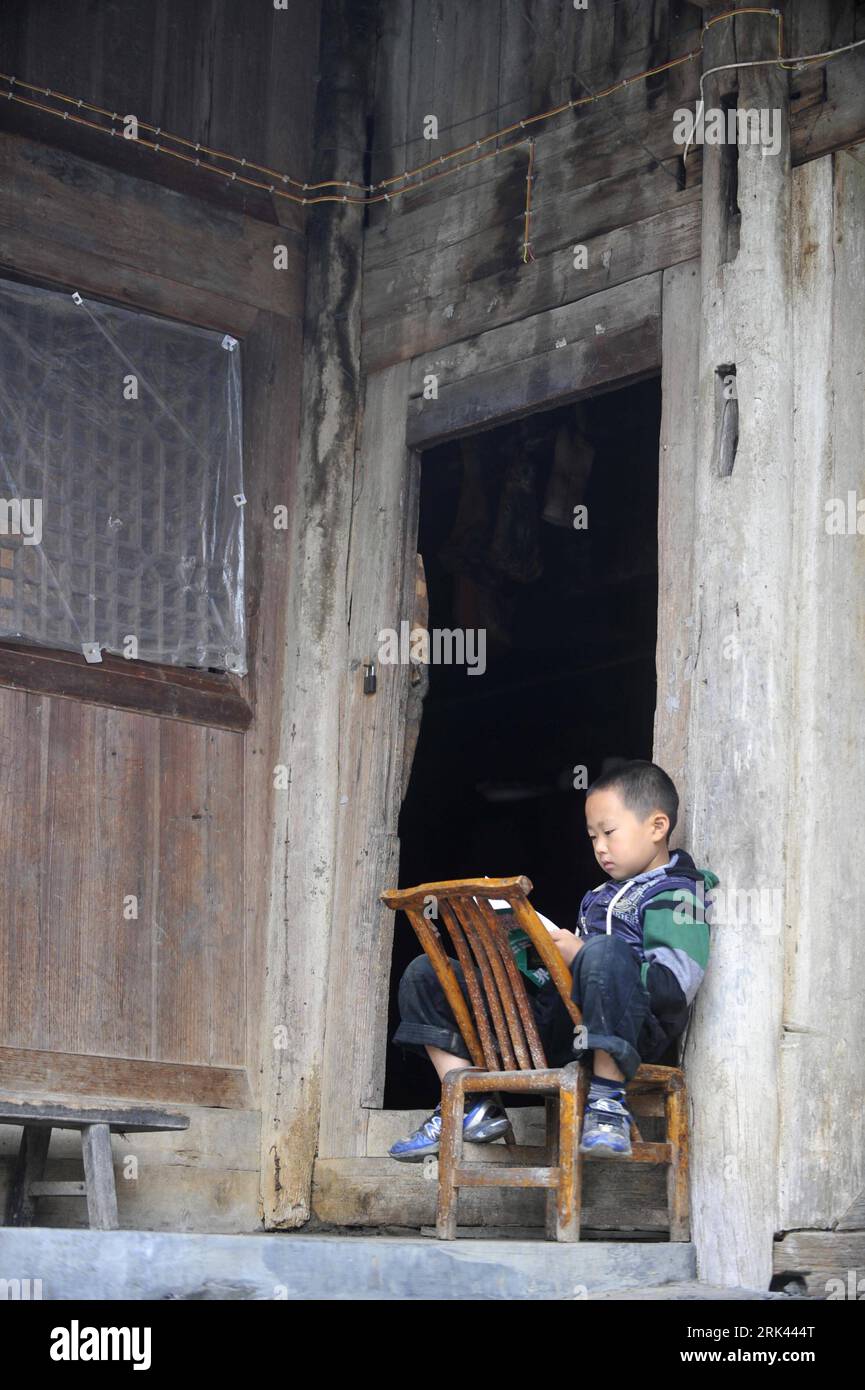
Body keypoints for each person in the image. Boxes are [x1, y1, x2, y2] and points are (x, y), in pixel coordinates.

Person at [388, 759, 717, 1161]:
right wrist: (530, 954)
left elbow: (672, 990)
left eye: (609, 832)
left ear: (657, 826)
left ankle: (607, 1102)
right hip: (565, 1027)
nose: (599, 846)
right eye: (592, 836)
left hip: (632, 1032)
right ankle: (469, 1103)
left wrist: (585, 954)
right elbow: (565, 982)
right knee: (428, 972)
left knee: (605, 951)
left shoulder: (680, 894)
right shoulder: (595, 897)